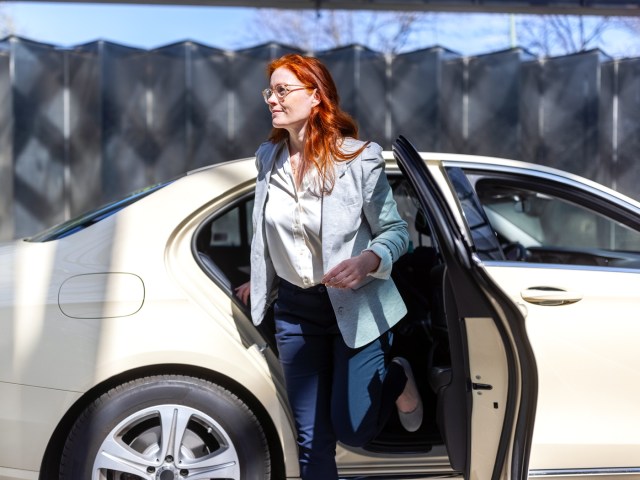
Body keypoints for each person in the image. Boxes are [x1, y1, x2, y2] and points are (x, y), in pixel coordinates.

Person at [235, 53, 422, 480]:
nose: (272, 100)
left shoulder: (359, 159)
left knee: (353, 430)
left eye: (283, 90)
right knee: (312, 441)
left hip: (355, 306)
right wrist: (262, 275)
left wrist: (369, 259)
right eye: (270, 91)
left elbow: (397, 231)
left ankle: (396, 378)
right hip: (297, 312)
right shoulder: (268, 159)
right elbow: (275, 232)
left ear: (316, 96)